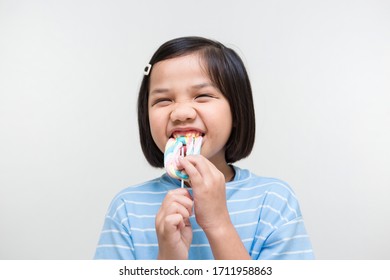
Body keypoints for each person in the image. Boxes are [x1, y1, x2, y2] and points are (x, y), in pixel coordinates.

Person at [94, 36, 314, 260]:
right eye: (163, 100)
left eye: (202, 96)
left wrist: (219, 225)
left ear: (236, 111)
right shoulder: (127, 208)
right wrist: (168, 260)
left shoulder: (274, 201)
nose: (181, 113)